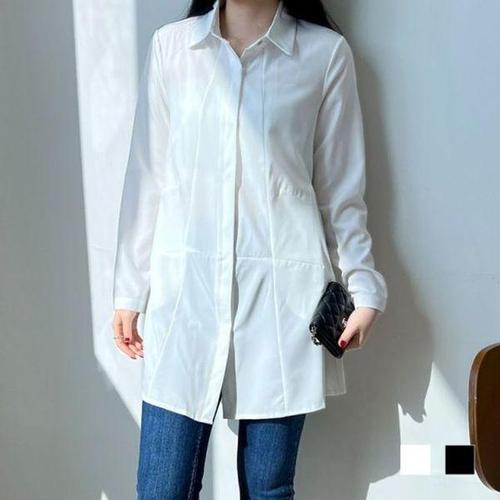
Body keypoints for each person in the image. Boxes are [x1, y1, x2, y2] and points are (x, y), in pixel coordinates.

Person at [111, 0, 388, 498]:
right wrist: (129, 290)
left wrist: (363, 286)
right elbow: (147, 176)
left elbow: (340, 193)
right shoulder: (173, 48)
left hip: (283, 305)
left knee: (268, 490)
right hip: (186, 301)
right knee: (161, 490)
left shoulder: (325, 55)